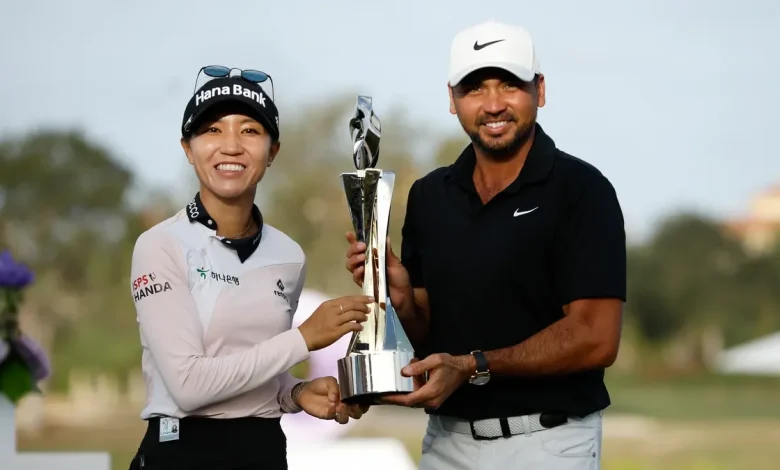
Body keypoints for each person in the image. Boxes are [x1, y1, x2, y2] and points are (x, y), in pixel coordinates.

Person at [345, 20, 626, 470]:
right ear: (453, 100)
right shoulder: (430, 196)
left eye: (510, 85)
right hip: (447, 442)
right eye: (475, 88)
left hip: (548, 442)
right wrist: (400, 299)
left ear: (540, 90)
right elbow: (431, 335)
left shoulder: (582, 190)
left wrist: (474, 365)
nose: (494, 104)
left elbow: (596, 338)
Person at [128, 65, 371, 470]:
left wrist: (293, 393)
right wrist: (304, 339)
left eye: (250, 131)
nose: (231, 146)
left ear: (272, 151)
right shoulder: (159, 245)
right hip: (180, 452)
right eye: (212, 130)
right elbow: (188, 386)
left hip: (264, 451)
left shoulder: (289, 256)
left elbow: (251, 366)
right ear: (188, 149)